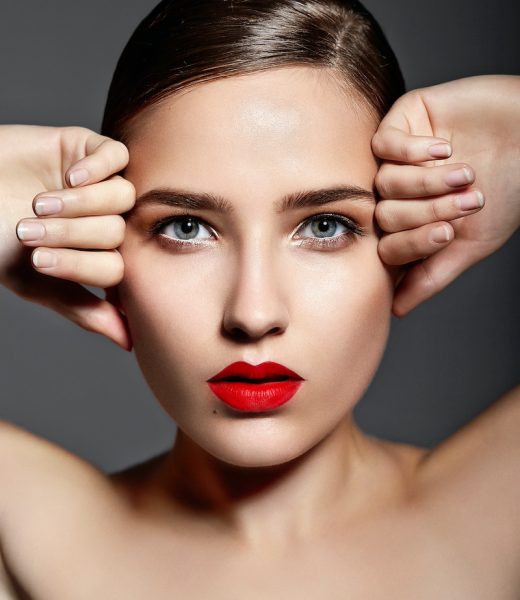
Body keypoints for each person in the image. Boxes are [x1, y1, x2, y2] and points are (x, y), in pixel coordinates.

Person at [0, 0, 518, 597]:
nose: (253, 314)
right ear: (105, 248)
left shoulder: (502, 507)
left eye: (325, 226)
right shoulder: (29, 529)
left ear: (405, 237)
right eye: (186, 227)